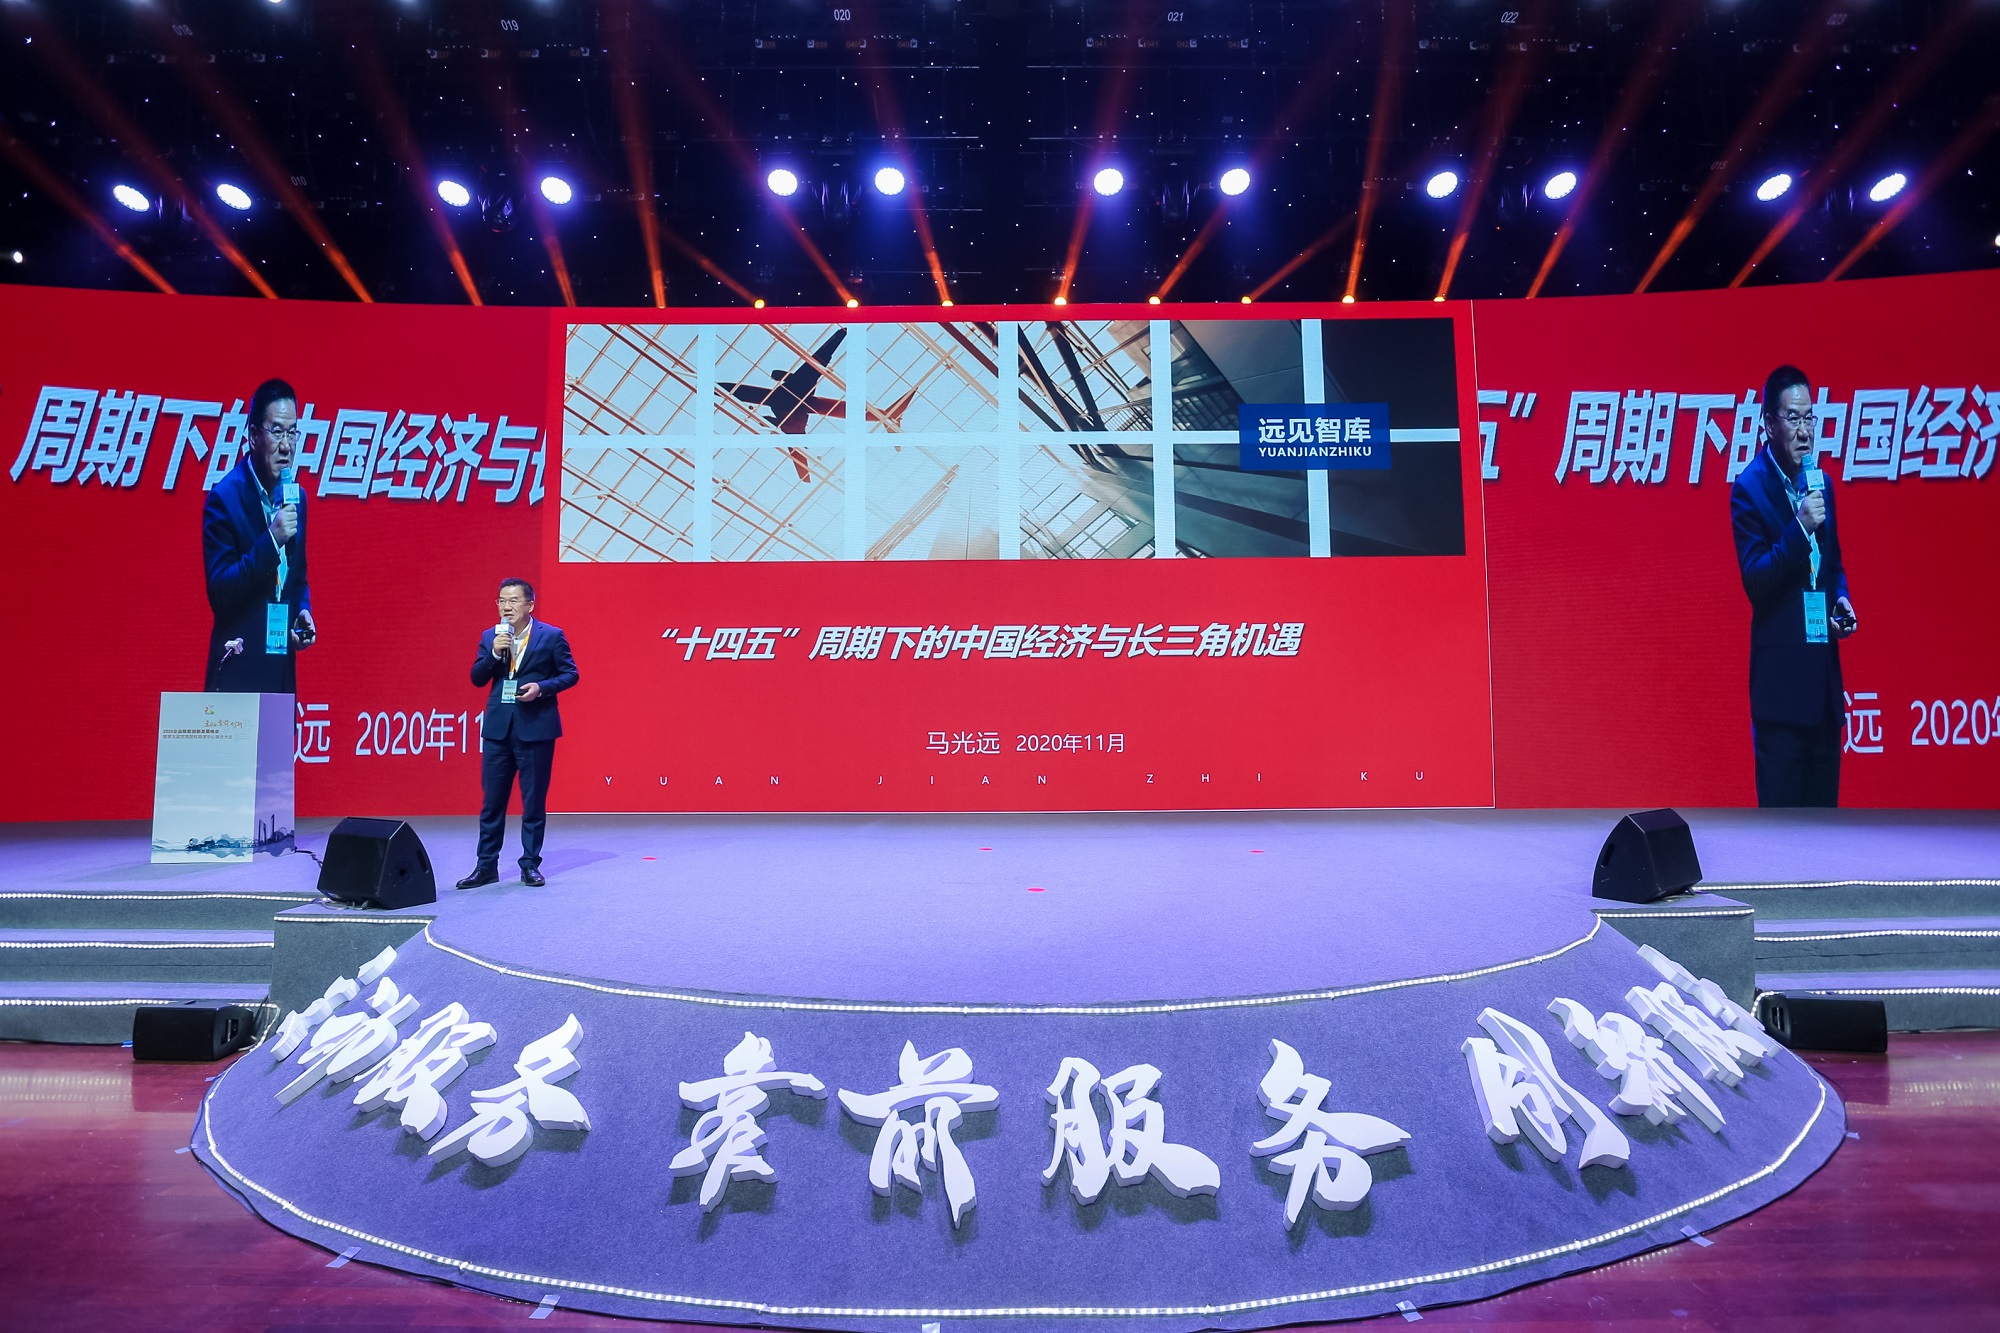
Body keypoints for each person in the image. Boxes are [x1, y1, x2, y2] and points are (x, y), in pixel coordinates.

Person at [1730, 364, 1858, 807]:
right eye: (1793, 418)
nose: (1804, 431)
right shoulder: (1748, 489)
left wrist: (1841, 599)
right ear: (1770, 424)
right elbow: (1756, 581)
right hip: (1781, 698)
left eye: (1809, 418)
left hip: (1823, 689)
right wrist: (1800, 528)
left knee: (1826, 828)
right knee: (1783, 833)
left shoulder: (1822, 484)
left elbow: (1832, 566)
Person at [458, 578, 578, 888]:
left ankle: (530, 865)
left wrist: (542, 688)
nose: (506, 607)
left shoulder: (551, 636)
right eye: (501, 601)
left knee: (533, 802)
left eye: (512, 600)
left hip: (536, 728)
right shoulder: (491, 636)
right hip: (498, 730)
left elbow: (570, 674)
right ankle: (486, 866)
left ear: (529, 605)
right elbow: (477, 678)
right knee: (492, 803)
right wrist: (493, 654)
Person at [203, 379, 316, 691]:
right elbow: (220, 593)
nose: (286, 446)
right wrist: (272, 539)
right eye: (277, 432)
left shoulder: (296, 498)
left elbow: (297, 578)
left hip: (280, 672)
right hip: (236, 672)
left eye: (292, 433)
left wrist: (302, 611)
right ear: (253, 436)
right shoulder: (224, 499)